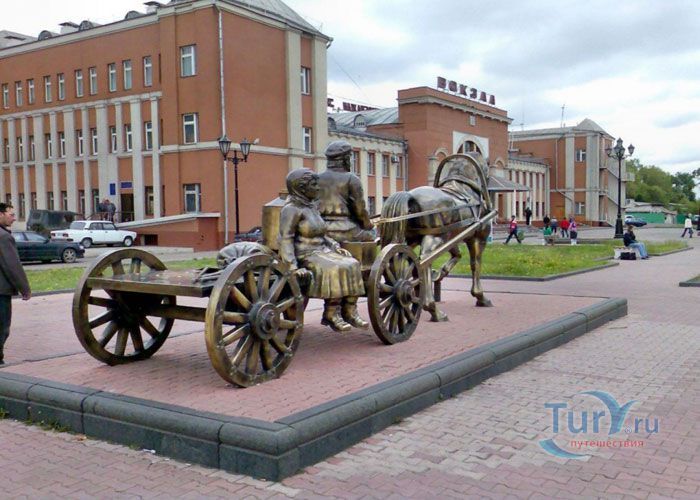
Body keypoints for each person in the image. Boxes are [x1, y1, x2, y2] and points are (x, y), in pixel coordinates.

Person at [279, 168, 367, 332]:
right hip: (305, 254)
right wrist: (292, 267)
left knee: (353, 263)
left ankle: (350, 310)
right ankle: (331, 313)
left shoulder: (312, 207)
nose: (318, 188)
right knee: (335, 268)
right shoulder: (291, 210)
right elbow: (285, 239)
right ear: (302, 188)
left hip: (322, 251)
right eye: (314, 185)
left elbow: (323, 234)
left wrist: (335, 247)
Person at [318, 140, 375, 243]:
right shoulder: (352, 179)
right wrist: (369, 225)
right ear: (345, 159)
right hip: (345, 230)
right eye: (349, 157)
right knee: (373, 234)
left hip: (320, 230)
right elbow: (360, 210)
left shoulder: (316, 178)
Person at [0, 203, 31, 364]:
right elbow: (12, 265)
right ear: (1, 214)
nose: (13, 218)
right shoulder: (4, 237)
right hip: (1, 291)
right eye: (11, 214)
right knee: (2, 327)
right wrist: (25, 289)